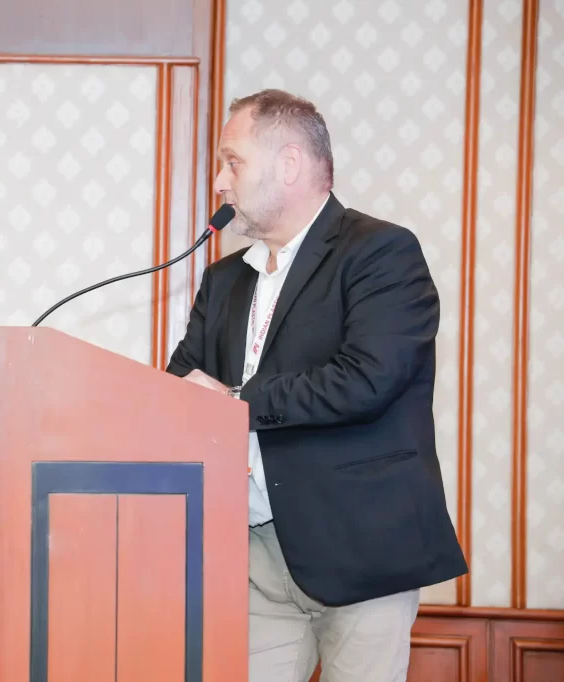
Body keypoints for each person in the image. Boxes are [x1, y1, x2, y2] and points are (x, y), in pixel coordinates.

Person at [167, 89, 467, 681]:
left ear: (289, 164)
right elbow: (182, 382)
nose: (220, 182)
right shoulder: (224, 279)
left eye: (233, 161)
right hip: (251, 555)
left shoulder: (380, 251)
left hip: (363, 552)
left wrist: (234, 403)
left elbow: (367, 379)